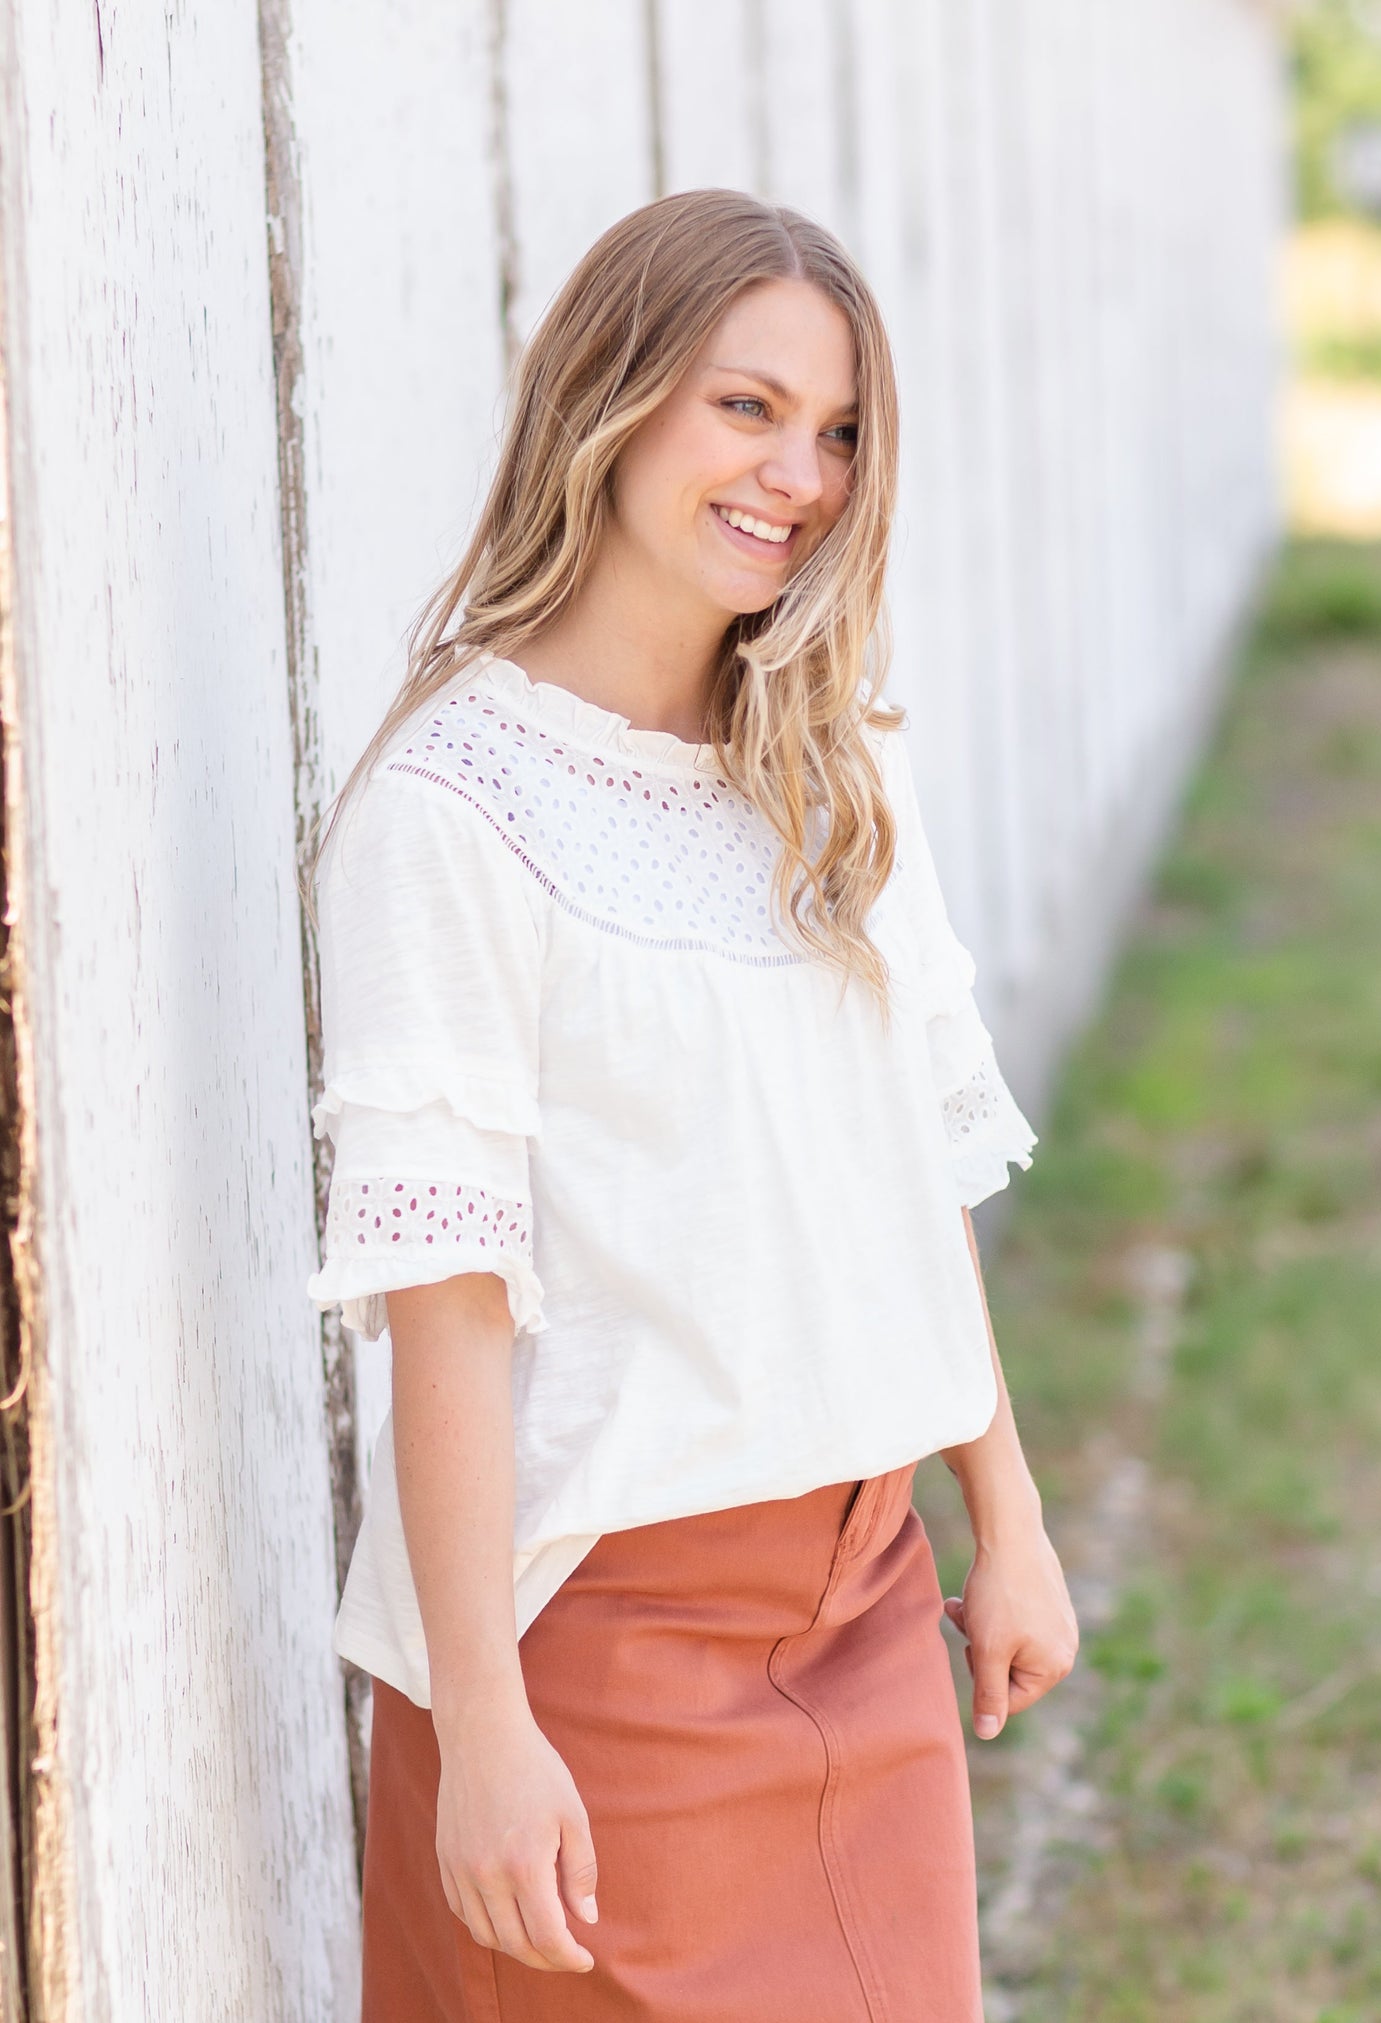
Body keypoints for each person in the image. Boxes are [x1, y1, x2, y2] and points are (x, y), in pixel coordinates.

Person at [303, 186, 1078, 2023]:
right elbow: (451, 1313)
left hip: (871, 1601)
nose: (795, 476)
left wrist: (1009, 1510)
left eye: (835, 433)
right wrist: (482, 1728)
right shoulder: (455, 810)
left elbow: (911, 1174)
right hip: (602, 1651)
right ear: (612, 398)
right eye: (745, 407)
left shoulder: (831, 771)